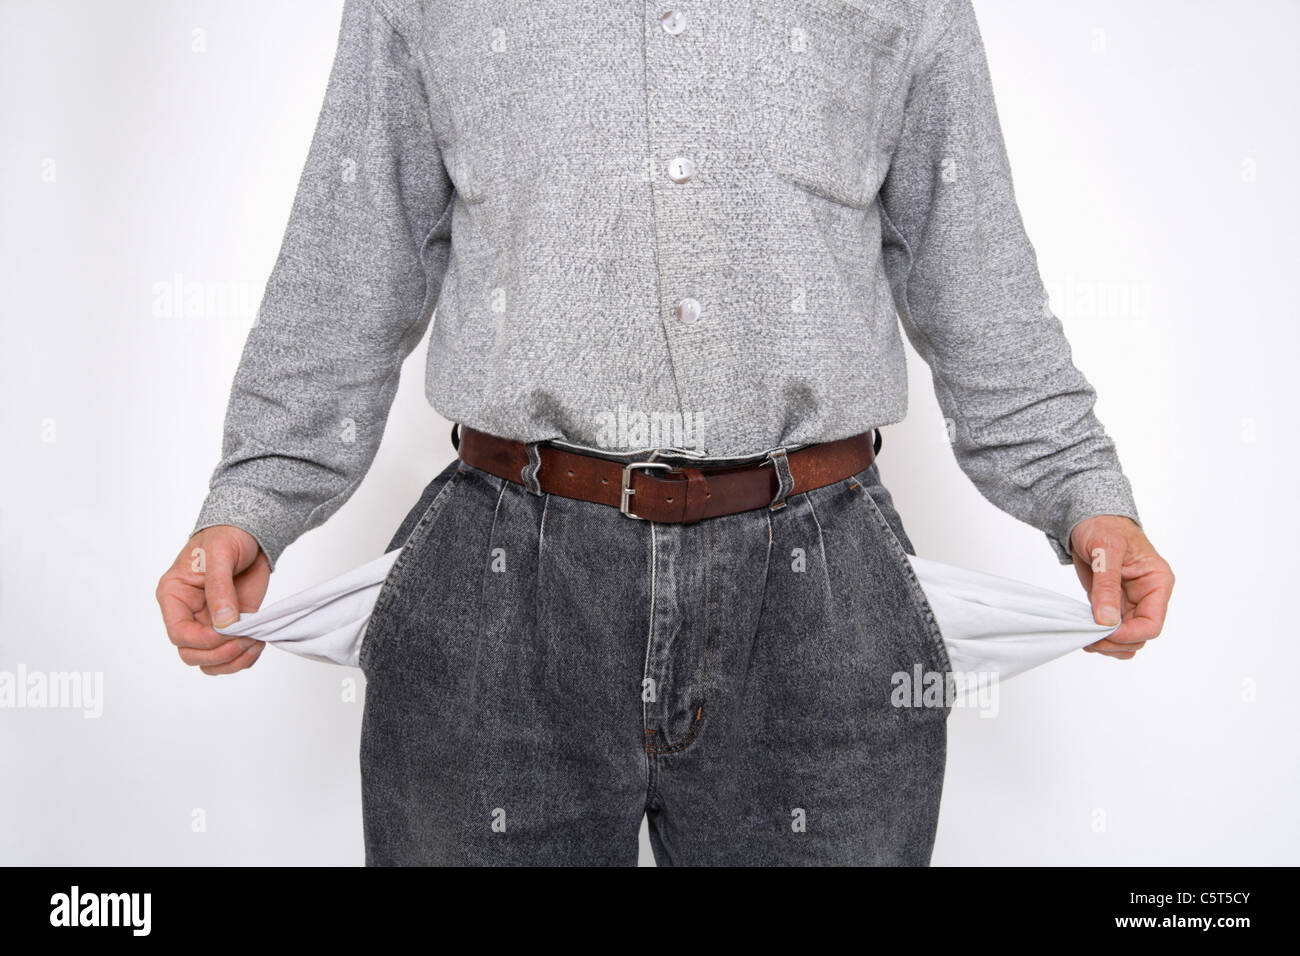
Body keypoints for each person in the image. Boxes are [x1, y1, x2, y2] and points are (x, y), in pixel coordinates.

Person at [156, 0, 1175, 865]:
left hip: (822, 599)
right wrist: (254, 501)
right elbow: (346, 269)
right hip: (498, 597)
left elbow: (979, 284)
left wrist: (1087, 499)